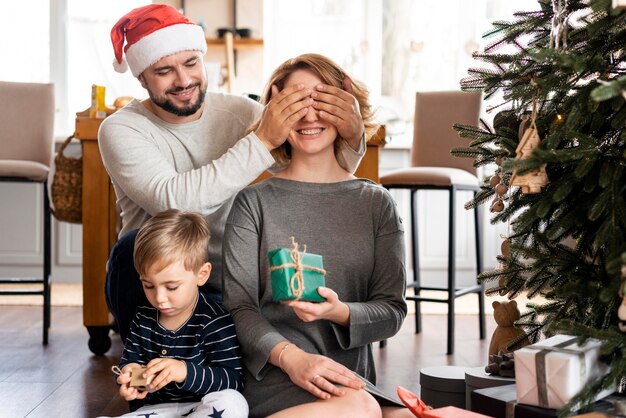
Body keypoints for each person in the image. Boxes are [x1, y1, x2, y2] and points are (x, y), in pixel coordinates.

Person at [99, 3, 368, 343]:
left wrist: (354, 134)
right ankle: (153, 361)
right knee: (130, 248)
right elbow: (176, 203)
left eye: (191, 64)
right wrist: (263, 139)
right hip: (159, 283)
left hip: (231, 282)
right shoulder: (121, 128)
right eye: (164, 71)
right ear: (141, 77)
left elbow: (317, 176)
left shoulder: (240, 111)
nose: (183, 80)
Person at [222, 53, 414, 418]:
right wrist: (293, 360)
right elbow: (241, 309)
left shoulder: (376, 204)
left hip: (351, 383)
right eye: (296, 102)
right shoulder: (253, 203)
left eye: (321, 101)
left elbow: (392, 311)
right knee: (358, 409)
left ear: (346, 107)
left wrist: (340, 312)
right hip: (277, 376)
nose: (309, 116)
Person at [111, 209, 247, 418]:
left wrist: (184, 371)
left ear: (201, 274)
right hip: (154, 412)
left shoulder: (215, 320)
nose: (159, 298)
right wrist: (129, 376)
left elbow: (232, 379)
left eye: (172, 287)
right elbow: (130, 361)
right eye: (148, 286)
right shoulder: (143, 318)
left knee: (233, 403)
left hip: (203, 407)